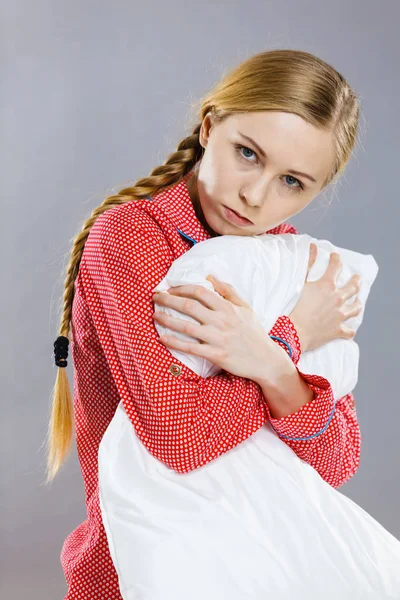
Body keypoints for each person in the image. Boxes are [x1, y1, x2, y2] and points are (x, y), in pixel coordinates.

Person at [46, 49, 367, 599]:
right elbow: (180, 437)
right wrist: (289, 343)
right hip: (143, 569)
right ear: (209, 125)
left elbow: (335, 462)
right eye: (248, 153)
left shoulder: (295, 266)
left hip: (262, 568)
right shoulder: (132, 239)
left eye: (293, 182)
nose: (256, 195)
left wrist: (267, 357)